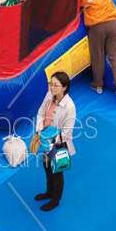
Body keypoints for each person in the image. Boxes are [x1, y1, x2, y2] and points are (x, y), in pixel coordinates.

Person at [32, 71, 76, 212]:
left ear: (64, 87)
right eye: (51, 84)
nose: (52, 87)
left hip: (58, 144)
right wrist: (39, 131)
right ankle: (49, 192)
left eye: (56, 85)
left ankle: (55, 200)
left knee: (57, 171)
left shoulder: (70, 106)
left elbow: (67, 131)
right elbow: (40, 113)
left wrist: (50, 140)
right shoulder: (49, 95)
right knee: (46, 167)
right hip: (45, 140)